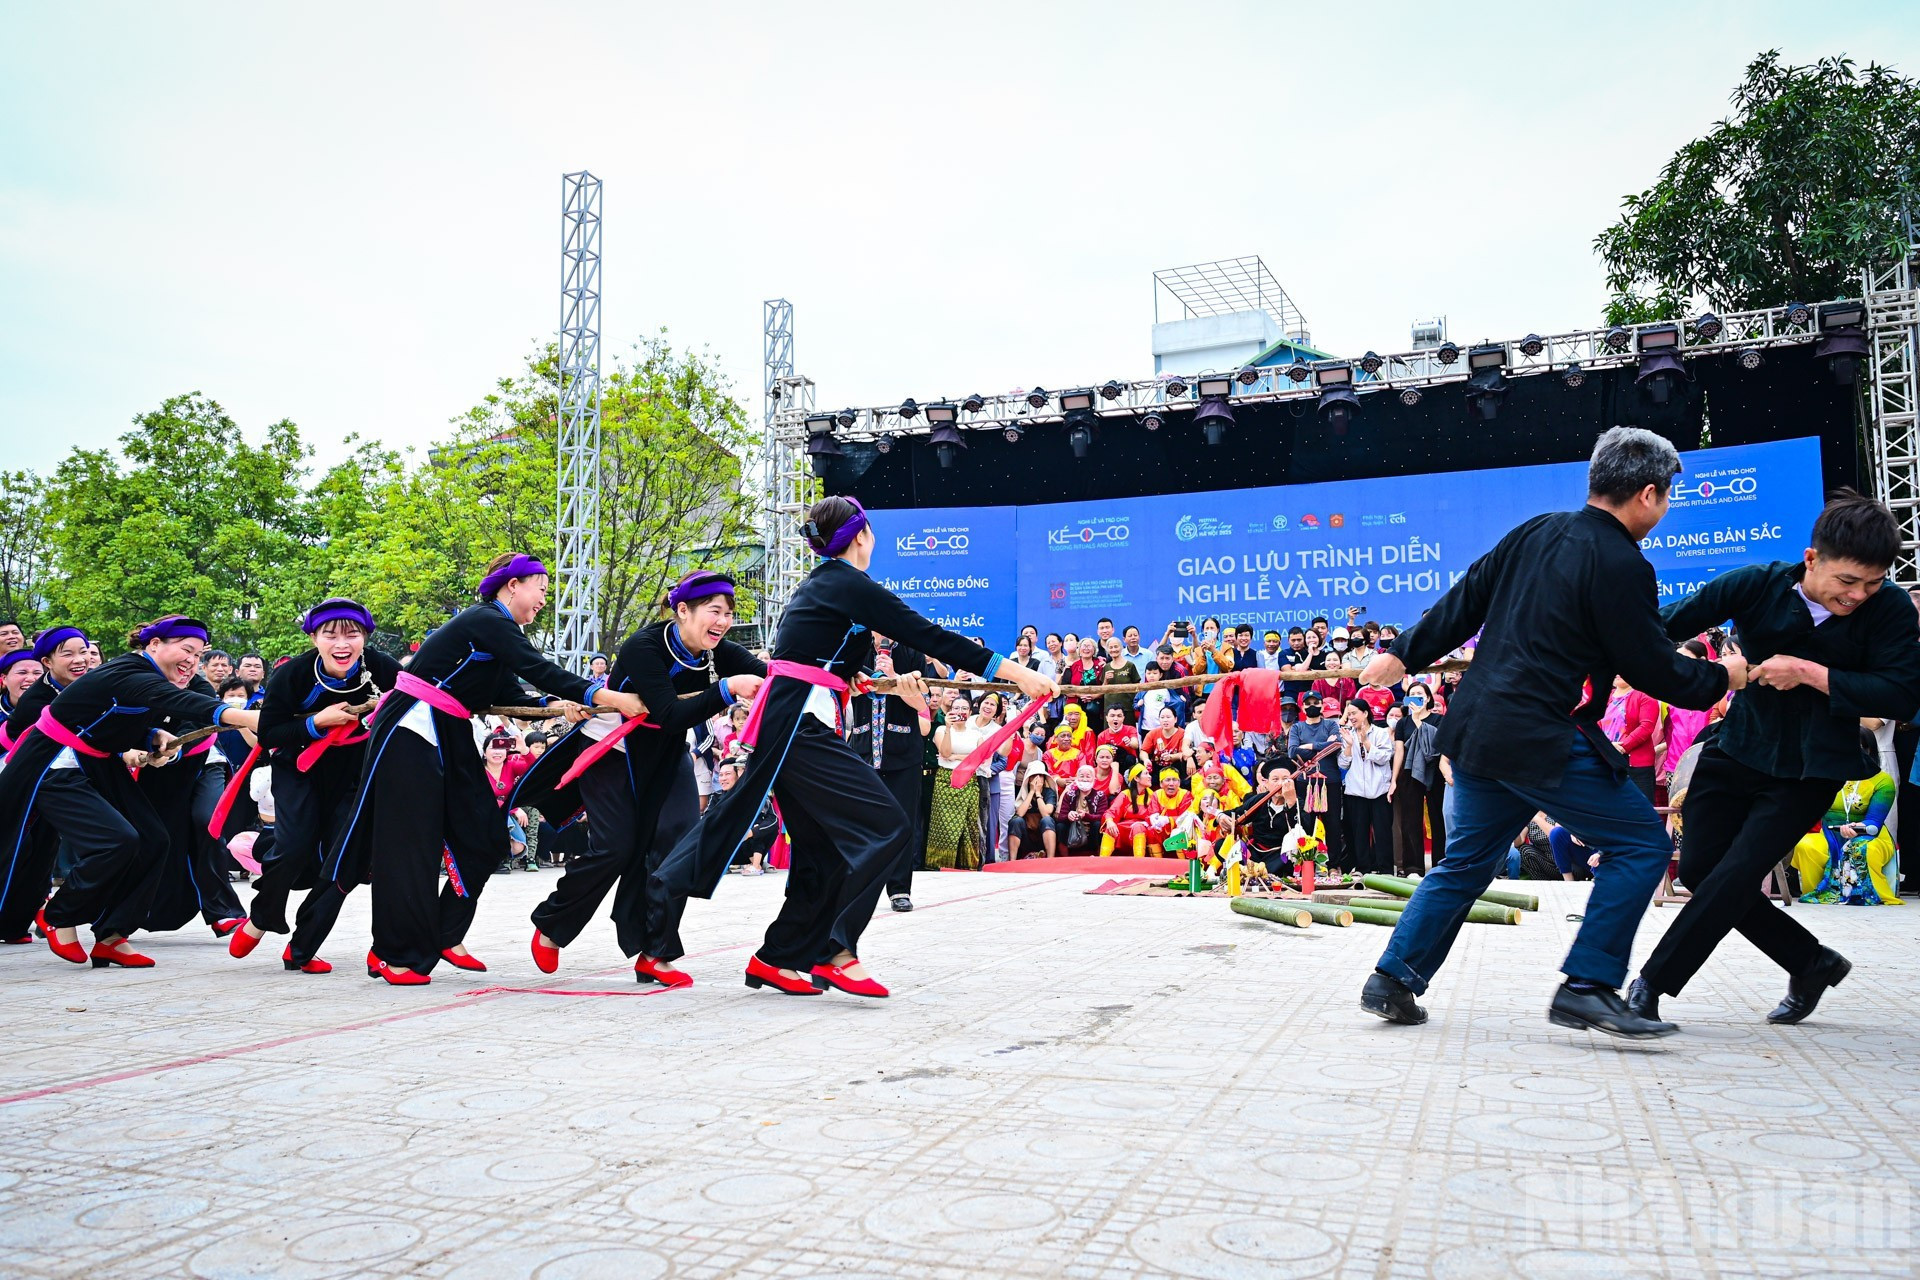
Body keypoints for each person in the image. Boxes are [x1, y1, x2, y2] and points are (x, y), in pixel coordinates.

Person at [1358, 427, 1743, 1038]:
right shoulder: (1623, 564)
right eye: (1666, 497)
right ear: (1647, 493)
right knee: (1642, 844)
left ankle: (1393, 978)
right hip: (1537, 736)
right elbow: (1655, 668)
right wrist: (1724, 675)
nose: (1664, 511)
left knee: (1464, 864)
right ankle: (1588, 984)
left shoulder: (1534, 531)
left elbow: (1462, 602)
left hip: (1480, 729)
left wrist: (1404, 654)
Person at [648, 496, 1055, 999]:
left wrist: (848, 675)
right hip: (800, 722)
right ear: (862, 536)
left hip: (795, 717)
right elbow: (931, 636)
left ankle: (778, 957)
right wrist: (1017, 673)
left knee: (823, 849)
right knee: (887, 827)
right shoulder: (847, 583)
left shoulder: (823, 585)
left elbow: (812, 650)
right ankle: (836, 952)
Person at [1628, 491, 1920, 1026]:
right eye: (1846, 582)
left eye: (1872, 583)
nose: (1857, 596)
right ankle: (1810, 961)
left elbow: (1902, 694)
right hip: (1738, 745)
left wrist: (1810, 673)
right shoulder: (1756, 583)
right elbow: (1664, 623)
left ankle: (1650, 985)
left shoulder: (1892, 609)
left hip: (1814, 764)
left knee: (1736, 874)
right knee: (1700, 867)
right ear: (1812, 559)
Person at [333, 553, 642, 985]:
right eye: (541, 588)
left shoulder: (499, 633)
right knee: (410, 843)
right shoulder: (485, 619)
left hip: (451, 732)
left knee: (485, 834)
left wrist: (563, 706)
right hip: (413, 727)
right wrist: (605, 694)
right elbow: (539, 669)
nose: (544, 599)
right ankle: (393, 953)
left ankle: (443, 932)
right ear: (512, 585)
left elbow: (512, 692)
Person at [511, 570, 766, 984]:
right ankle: (553, 925)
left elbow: (767, 673)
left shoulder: (717, 651)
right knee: (617, 848)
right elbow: (667, 713)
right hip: (613, 750)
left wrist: (835, 677)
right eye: (714, 612)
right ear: (683, 610)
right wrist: (727, 689)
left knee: (679, 843)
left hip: (665, 754)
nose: (723, 622)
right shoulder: (643, 647)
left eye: (728, 614)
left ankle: (655, 951)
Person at [0, 616, 260, 969]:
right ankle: (59, 913)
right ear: (154, 645)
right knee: (115, 840)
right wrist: (250, 719)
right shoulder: (129, 672)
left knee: (155, 840)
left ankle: (111, 935)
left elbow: (122, 720)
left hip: (97, 763)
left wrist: (152, 736)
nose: (192, 662)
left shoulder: (150, 677)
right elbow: (185, 704)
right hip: (51, 763)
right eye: (186, 650)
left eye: (198, 655)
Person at [227, 598, 400, 974]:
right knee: (292, 847)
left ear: (365, 638)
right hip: (298, 768)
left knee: (343, 863)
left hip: (354, 775)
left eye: (352, 634)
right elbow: (269, 732)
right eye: (330, 634)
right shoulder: (295, 675)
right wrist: (316, 722)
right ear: (314, 639)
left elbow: (414, 701)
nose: (342, 643)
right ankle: (260, 917)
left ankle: (302, 949)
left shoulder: (382, 668)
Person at [845, 638, 931, 912]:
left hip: (902, 749)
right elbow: (843, 692)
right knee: (860, 821)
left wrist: (894, 679)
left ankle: (899, 889)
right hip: (862, 748)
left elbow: (921, 703)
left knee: (904, 821)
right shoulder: (853, 648)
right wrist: (859, 686)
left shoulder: (913, 651)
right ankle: (859, 886)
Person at [1390, 682, 1448, 875]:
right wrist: (1394, 780)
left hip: (1434, 770)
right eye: (1412, 694)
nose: (1416, 697)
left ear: (1429, 698)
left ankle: (1441, 864)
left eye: (1420, 694)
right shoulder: (1402, 723)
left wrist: (1418, 719)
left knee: (1437, 817)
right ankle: (1413, 867)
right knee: (1410, 819)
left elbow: (1436, 745)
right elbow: (1399, 751)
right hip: (1409, 770)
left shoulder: (1438, 720)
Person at [1287, 692, 1344, 871]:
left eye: (1316, 702)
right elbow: (1292, 752)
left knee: (1333, 824)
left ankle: (1334, 864)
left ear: (1321, 706)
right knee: (1306, 824)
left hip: (1330, 782)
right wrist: (1323, 744)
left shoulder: (1330, 724)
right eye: (1308, 703)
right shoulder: (1297, 727)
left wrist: (1310, 746)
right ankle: (1306, 864)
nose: (1312, 705)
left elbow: (1336, 746)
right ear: (1303, 707)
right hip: (1306, 782)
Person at [1338, 701, 1394, 876]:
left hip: (1379, 790)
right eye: (1349, 714)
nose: (1351, 717)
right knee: (1359, 833)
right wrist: (1348, 745)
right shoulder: (1347, 735)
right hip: (1355, 791)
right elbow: (1343, 764)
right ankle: (1363, 869)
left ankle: (1385, 870)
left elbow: (1384, 758)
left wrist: (1366, 742)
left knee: (1382, 832)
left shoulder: (1381, 733)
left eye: (1354, 713)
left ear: (1365, 713)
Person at [1006, 762, 1057, 859]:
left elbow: (1046, 813)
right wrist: (1032, 792)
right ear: (1029, 778)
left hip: (1043, 836)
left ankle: (1051, 859)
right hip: (1026, 838)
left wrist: (1038, 793)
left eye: (1040, 776)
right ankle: (1012, 859)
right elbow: (1020, 813)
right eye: (1033, 776)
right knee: (1016, 821)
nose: (1037, 779)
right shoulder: (1024, 792)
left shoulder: (1049, 793)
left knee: (1047, 820)